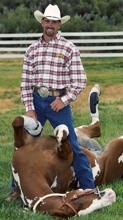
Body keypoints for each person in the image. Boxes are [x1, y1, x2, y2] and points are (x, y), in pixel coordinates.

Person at [6, 4, 95, 201]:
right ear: (42, 22)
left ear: (59, 25)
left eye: (55, 22)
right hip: (37, 101)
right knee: (23, 146)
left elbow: (80, 80)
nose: (51, 25)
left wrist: (64, 100)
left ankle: (89, 189)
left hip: (58, 102)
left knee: (73, 145)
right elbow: (25, 82)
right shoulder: (32, 50)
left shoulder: (69, 48)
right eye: (48, 21)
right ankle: (17, 188)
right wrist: (30, 109)